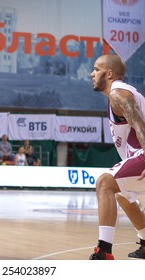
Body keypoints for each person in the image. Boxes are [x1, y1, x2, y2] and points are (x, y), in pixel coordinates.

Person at [89, 54, 145, 260]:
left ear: (109, 73)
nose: (92, 73)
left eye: (96, 69)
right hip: (139, 155)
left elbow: (140, 125)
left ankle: (103, 251)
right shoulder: (122, 93)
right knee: (122, 195)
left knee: (105, 183)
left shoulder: (118, 94)